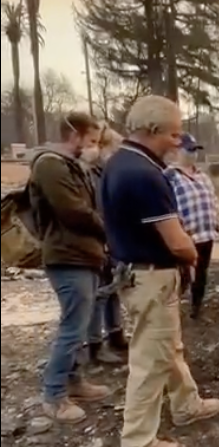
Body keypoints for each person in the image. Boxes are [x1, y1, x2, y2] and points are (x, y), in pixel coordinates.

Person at [101, 95, 219, 447]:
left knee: (168, 348)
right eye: (175, 132)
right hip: (152, 277)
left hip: (137, 274)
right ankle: (138, 444)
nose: (178, 140)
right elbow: (177, 241)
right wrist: (191, 254)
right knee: (150, 361)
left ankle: (186, 404)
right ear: (153, 130)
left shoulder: (119, 163)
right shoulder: (144, 175)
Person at [28, 112, 111, 424]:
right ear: (74, 135)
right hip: (67, 256)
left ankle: (74, 382)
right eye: (91, 141)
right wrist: (109, 231)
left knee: (80, 322)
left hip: (83, 254)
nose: (94, 148)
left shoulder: (72, 166)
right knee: (72, 326)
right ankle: (53, 395)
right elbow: (75, 212)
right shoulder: (50, 164)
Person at [80, 123, 128, 364]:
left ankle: (115, 332)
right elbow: (94, 210)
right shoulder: (88, 173)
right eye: (115, 148)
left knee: (112, 288)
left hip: (109, 237)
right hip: (98, 239)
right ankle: (95, 345)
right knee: (99, 293)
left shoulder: (104, 172)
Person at [165, 133, 219, 320]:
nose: (193, 154)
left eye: (195, 150)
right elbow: (168, 206)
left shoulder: (202, 176)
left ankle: (197, 308)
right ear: (176, 151)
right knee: (183, 275)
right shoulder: (170, 176)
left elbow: (213, 200)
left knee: (201, 272)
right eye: (189, 150)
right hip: (185, 235)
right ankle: (173, 310)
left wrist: (216, 223)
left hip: (206, 233)